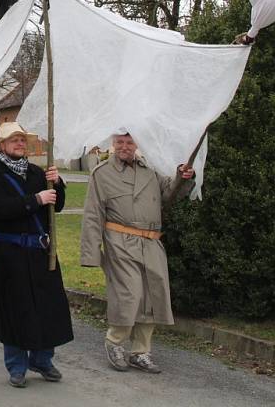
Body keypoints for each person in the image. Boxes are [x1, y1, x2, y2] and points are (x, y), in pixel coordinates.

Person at [81, 130, 194, 374]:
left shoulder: (150, 170)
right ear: (112, 144)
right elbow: (92, 215)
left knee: (153, 295)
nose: (124, 146)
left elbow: (170, 193)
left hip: (151, 242)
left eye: (129, 142)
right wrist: (91, 253)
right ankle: (115, 342)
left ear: (136, 144)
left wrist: (182, 177)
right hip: (120, 241)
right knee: (129, 293)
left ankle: (141, 351)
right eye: (119, 142)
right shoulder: (102, 174)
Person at [0, 121, 71, 388]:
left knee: (47, 308)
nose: (19, 144)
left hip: (41, 252)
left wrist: (58, 184)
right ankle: (17, 366)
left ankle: (42, 359)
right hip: (10, 253)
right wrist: (36, 200)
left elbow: (59, 206)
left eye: (22, 140)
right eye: (13, 140)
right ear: (2, 146)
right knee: (15, 309)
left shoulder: (37, 173)